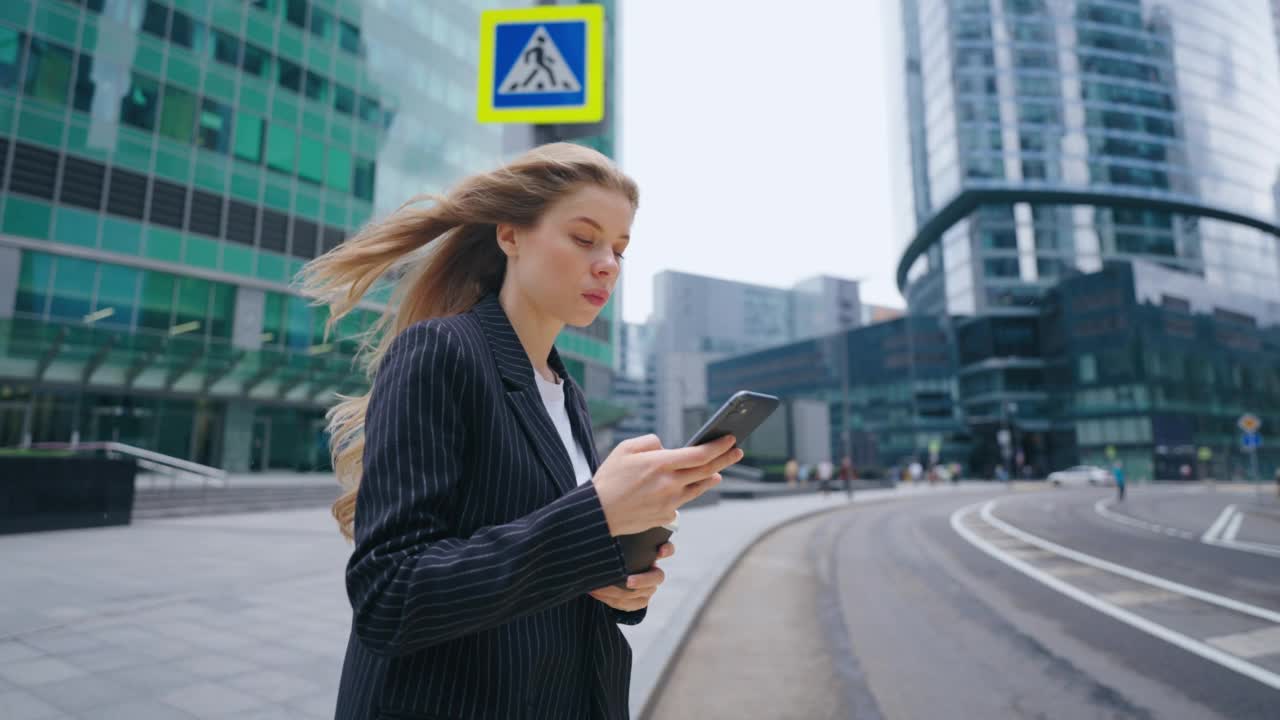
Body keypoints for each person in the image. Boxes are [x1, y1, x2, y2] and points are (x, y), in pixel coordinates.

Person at [303, 143, 742, 719]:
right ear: (509, 236)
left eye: (619, 248)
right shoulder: (440, 352)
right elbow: (391, 595)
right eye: (584, 238)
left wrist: (619, 583)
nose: (607, 262)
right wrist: (600, 515)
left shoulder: (568, 395)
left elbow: (546, 560)